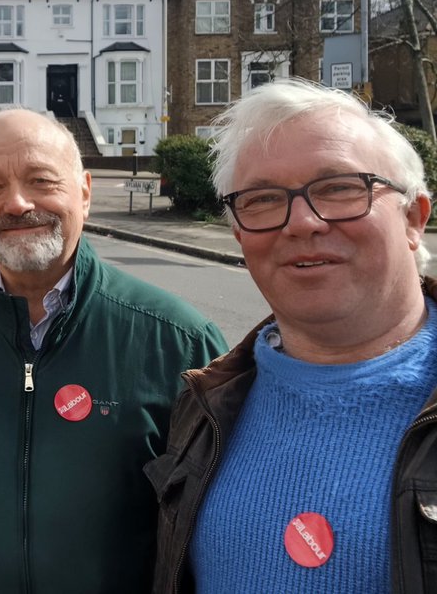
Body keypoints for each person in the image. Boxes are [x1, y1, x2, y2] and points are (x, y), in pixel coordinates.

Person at [0, 108, 226, 593]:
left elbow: (213, 523)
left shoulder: (178, 340)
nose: (16, 203)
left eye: (40, 180)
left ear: (84, 190)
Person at [148, 78, 437, 593]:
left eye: (340, 187)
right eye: (261, 199)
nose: (302, 222)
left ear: (414, 216)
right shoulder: (205, 406)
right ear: (239, 236)